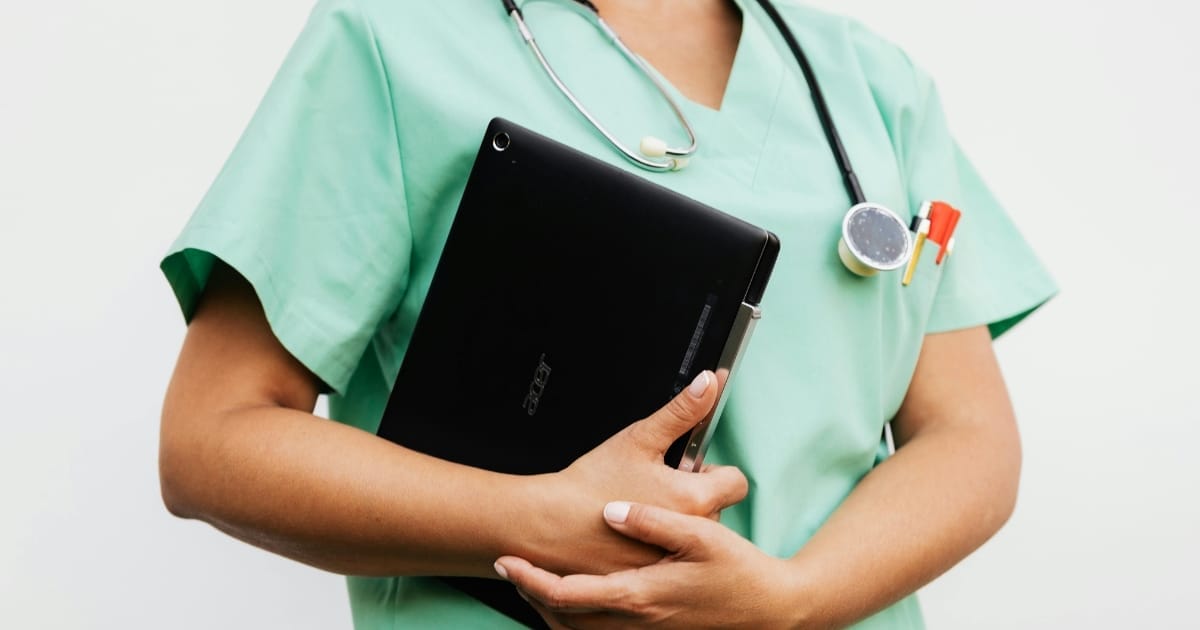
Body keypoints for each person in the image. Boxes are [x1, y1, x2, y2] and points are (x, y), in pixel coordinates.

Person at [158, 0, 1057, 627]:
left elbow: (970, 437)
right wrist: (534, 520)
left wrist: (791, 600)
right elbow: (213, 440)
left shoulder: (870, 82)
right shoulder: (391, 38)